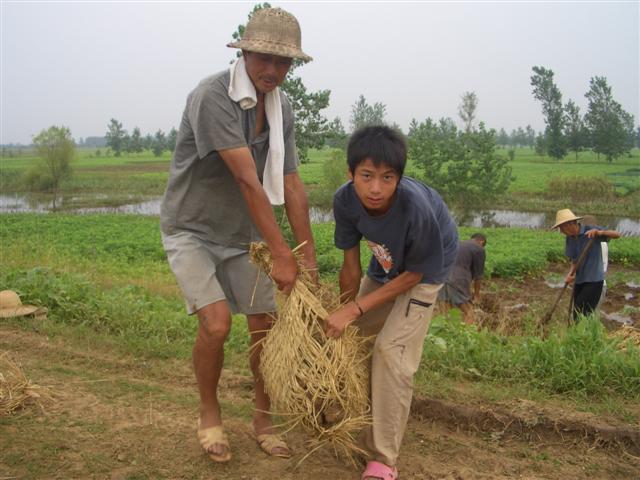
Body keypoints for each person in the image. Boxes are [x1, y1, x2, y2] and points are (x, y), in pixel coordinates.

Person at [160, 7, 317, 463]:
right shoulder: (213, 96)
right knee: (216, 323)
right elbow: (249, 180)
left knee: (263, 328)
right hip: (192, 228)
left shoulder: (280, 106)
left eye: (282, 62)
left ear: (292, 66)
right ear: (244, 53)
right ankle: (210, 415)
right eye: (262, 58)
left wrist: (305, 257)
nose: (272, 70)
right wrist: (281, 253)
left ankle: (262, 418)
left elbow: (289, 183)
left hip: (243, 233)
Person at [324, 126, 458, 480]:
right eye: (366, 176)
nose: (376, 188)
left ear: (399, 177)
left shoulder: (416, 207)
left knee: (390, 353)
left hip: (424, 272)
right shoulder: (345, 201)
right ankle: (360, 419)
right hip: (384, 264)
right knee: (354, 340)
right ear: (350, 173)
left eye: (387, 178)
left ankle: (383, 458)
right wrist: (345, 313)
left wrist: (354, 309)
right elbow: (350, 267)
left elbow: (414, 276)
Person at [552, 209, 620, 320]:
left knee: (582, 314)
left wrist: (599, 233)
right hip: (580, 280)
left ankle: (584, 335)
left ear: (569, 225)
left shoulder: (591, 231)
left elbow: (617, 234)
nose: (561, 231)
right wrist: (571, 274)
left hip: (594, 281)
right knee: (576, 313)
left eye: (561, 228)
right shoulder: (569, 239)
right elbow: (574, 261)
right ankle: (579, 335)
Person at [438, 233, 487, 324]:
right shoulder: (479, 248)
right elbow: (478, 276)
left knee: (446, 309)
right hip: (458, 278)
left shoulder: (459, 244)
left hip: (441, 276)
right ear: (481, 241)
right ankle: (469, 334)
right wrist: (476, 295)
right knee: (467, 310)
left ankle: (446, 331)